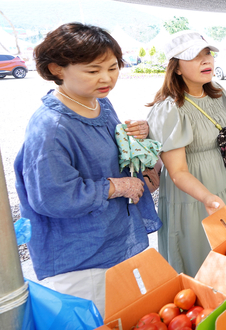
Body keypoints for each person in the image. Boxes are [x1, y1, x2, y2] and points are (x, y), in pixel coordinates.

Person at [15, 23, 161, 316]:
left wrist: (139, 137)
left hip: (115, 235)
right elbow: (52, 195)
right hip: (81, 255)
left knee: (127, 315)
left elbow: (112, 152)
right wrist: (117, 186)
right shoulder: (51, 126)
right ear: (57, 69)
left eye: (112, 67)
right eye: (93, 71)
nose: (106, 78)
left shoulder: (101, 104)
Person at [147, 30, 226, 276]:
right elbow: (178, 171)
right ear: (176, 68)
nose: (206, 61)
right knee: (202, 260)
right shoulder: (169, 109)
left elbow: (221, 137)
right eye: (194, 56)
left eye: (208, 53)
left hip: (224, 182)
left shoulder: (217, 95)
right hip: (194, 196)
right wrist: (207, 198)